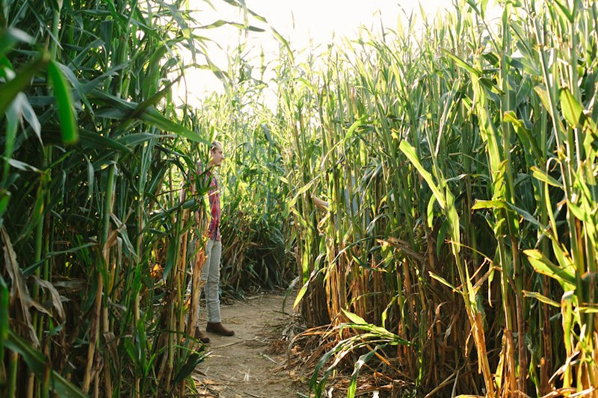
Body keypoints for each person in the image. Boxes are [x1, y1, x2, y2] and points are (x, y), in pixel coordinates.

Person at [190, 140, 235, 343]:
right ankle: (191, 324)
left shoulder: (212, 178)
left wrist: (217, 233)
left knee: (213, 279)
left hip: (215, 235)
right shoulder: (196, 176)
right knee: (198, 280)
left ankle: (214, 321)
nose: (222, 157)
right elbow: (189, 202)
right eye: (219, 152)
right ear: (210, 152)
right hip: (202, 236)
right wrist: (199, 230)